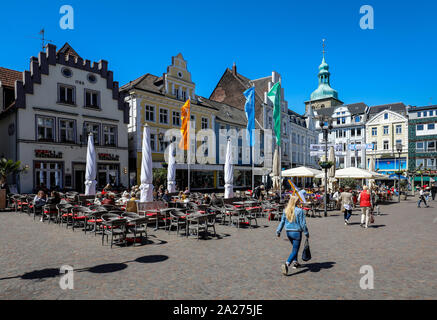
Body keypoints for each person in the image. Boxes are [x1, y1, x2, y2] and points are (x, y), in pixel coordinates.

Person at [276, 196, 310, 275]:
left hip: (288, 232)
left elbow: (282, 222)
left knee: (294, 248)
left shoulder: (286, 210)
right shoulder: (300, 211)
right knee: (295, 250)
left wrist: (278, 231)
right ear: (295, 202)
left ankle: (295, 262)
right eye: (298, 201)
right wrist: (306, 233)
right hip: (297, 232)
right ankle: (287, 264)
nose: (299, 202)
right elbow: (303, 224)